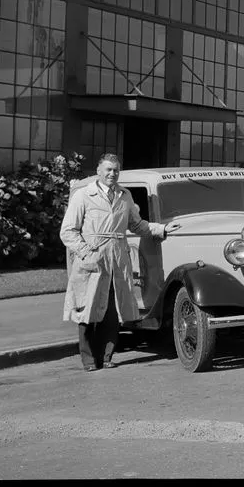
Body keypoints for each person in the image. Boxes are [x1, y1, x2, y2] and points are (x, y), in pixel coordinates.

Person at [60, 153, 181, 372]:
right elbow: (68, 232)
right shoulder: (84, 195)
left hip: (118, 258)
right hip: (92, 259)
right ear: (99, 171)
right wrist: (86, 252)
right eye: (108, 170)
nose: (112, 174)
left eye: (115, 170)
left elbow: (137, 225)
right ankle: (89, 359)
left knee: (112, 311)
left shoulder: (125, 196)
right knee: (87, 310)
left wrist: (161, 229)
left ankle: (107, 356)